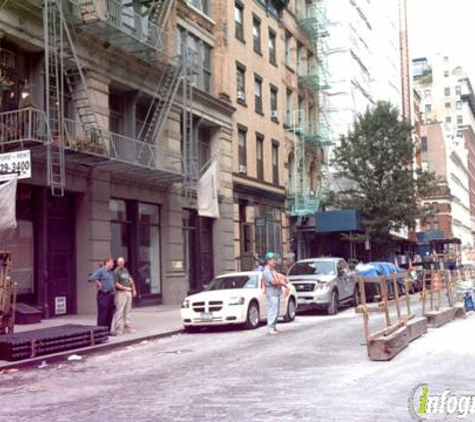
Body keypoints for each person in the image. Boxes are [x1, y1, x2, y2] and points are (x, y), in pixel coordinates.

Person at [262, 252, 290, 335]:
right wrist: (282, 283)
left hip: (276, 293)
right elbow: (273, 282)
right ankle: (270, 328)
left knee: (276, 312)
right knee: (273, 311)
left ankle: (273, 327)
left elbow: (278, 278)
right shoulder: (266, 271)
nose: (274, 262)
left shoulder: (273, 270)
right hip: (271, 294)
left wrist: (283, 281)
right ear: (268, 261)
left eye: (274, 260)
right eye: (272, 260)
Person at [88, 258, 115, 332]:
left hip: (110, 294)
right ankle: (100, 331)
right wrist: (97, 282)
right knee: (103, 313)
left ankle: (107, 331)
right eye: (112, 262)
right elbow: (91, 278)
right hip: (103, 295)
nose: (113, 264)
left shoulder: (110, 272)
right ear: (107, 263)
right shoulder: (101, 270)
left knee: (110, 313)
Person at [112, 257, 137, 335]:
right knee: (120, 310)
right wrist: (125, 288)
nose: (122, 263)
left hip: (128, 292)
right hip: (121, 293)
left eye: (123, 262)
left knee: (128, 310)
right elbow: (116, 283)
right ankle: (118, 328)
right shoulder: (116, 272)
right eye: (120, 262)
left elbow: (130, 280)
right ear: (117, 263)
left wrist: (134, 289)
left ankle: (127, 325)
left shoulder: (125, 270)